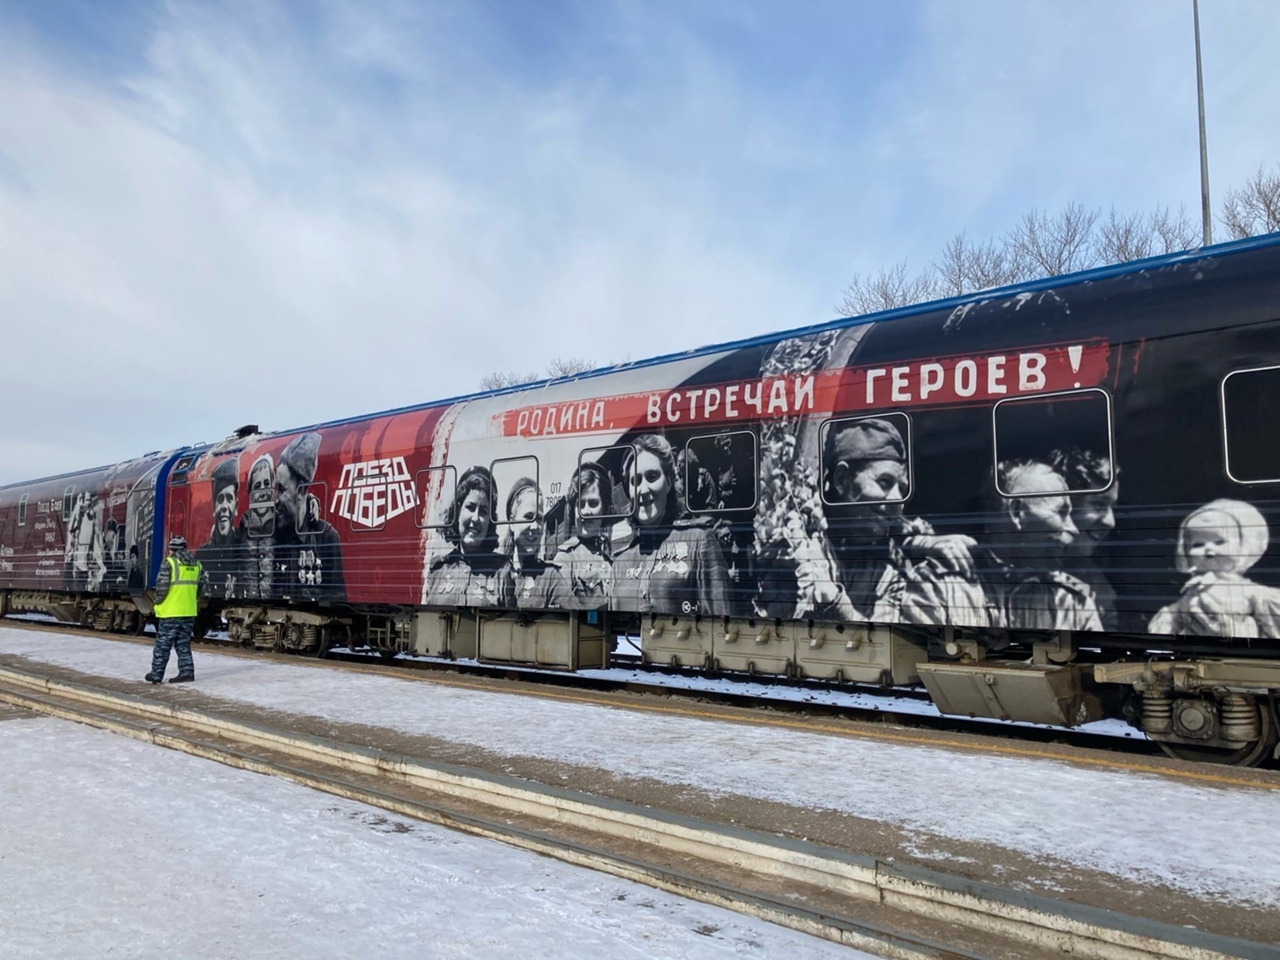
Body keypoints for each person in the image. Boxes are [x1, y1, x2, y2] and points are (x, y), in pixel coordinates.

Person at [796, 417, 976, 622]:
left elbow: (880, 640)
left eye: (902, 489)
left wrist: (836, 602)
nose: (897, 499)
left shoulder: (885, 576)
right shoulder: (799, 536)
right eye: (884, 482)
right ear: (841, 479)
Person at [900, 459, 1103, 632]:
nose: (1074, 529)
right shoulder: (937, 586)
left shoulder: (1074, 602)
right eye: (1061, 512)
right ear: (1017, 513)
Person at [611, 434, 732, 617]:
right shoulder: (620, 561)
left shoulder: (699, 542)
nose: (643, 490)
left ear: (668, 482)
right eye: (635, 481)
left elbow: (722, 624)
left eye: (652, 476)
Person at [1148, 499, 1280, 639]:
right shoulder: (1192, 592)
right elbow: (1174, 617)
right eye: (1198, 544)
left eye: (1219, 542)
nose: (1209, 549)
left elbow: (1270, 623)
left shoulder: (1250, 592)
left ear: (1243, 546)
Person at [1049, 447, 1120, 630]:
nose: (1110, 522)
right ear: (1063, 505)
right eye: (1098, 505)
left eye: (1113, 508)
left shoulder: (1092, 577)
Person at [425, 465, 513, 607]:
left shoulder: (502, 571)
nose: (475, 518)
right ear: (458, 511)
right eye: (470, 507)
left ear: (490, 521)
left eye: (483, 511)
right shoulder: (438, 570)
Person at [272, 432, 346, 601]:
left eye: (281, 490)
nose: (275, 500)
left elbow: (337, 595)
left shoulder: (327, 537)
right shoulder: (273, 533)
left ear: (301, 491)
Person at [551, 461, 616, 606]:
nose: (585, 512)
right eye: (580, 504)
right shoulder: (566, 557)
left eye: (593, 503)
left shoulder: (612, 557)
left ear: (604, 509)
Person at [498, 477, 569, 610]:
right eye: (528, 517)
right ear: (512, 523)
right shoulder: (497, 573)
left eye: (539, 519)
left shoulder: (550, 578)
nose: (535, 526)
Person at [145, 535, 202, 684]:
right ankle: (187, 673)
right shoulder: (197, 565)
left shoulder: (169, 563)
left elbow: (162, 588)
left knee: (163, 645)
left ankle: (156, 675)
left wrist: (156, 601)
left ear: (171, 550)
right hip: (188, 611)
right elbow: (200, 588)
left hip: (171, 612)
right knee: (183, 644)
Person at [196, 456, 243, 599]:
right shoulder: (202, 555)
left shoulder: (244, 548)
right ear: (214, 508)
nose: (224, 507)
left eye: (229, 499)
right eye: (220, 499)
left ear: (236, 507)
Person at [239, 453, 276, 599]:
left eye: (267, 484)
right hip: (250, 595)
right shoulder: (243, 525)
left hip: (277, 595)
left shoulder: (282, 520)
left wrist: (313, 501)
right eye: (257, 486)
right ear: (250, 494)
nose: (262, 491)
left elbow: (298, 507)